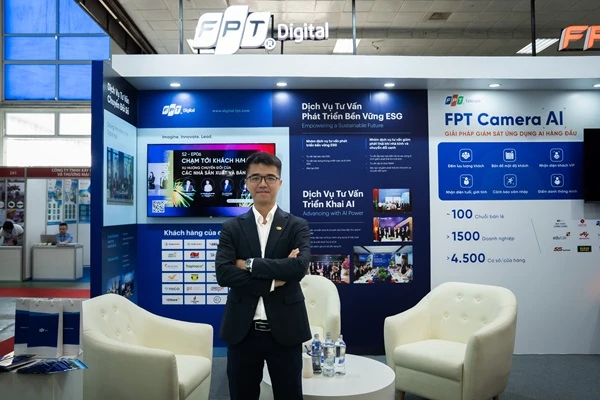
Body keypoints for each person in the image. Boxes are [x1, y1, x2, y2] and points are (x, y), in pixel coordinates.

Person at [215, 152, 311, 400]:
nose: (263, 184)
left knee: (289, 395)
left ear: (279, 182)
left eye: (270, 178)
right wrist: (272, 281)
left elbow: (299, 268)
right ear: (247, 183)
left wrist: (248, 264)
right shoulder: (232, 228)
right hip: (242, 331)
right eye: (256, 177)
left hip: (286, 329)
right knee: (242, 395)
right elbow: (224, 274)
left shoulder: (296, 225)